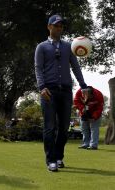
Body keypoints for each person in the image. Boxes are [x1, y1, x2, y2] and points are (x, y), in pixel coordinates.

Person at [34, 15, 88, 172]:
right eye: (57, 25)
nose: (60, 28)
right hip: (48, 91)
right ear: (49, 27)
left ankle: (58, 157)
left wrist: (83, 85)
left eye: (61, 26)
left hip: (65, 90)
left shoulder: (69, 47)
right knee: (50, 127)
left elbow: (76, 67)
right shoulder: (41, 47)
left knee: (64, 127)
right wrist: (41, 87)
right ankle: (50, 160)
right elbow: (38, 68)